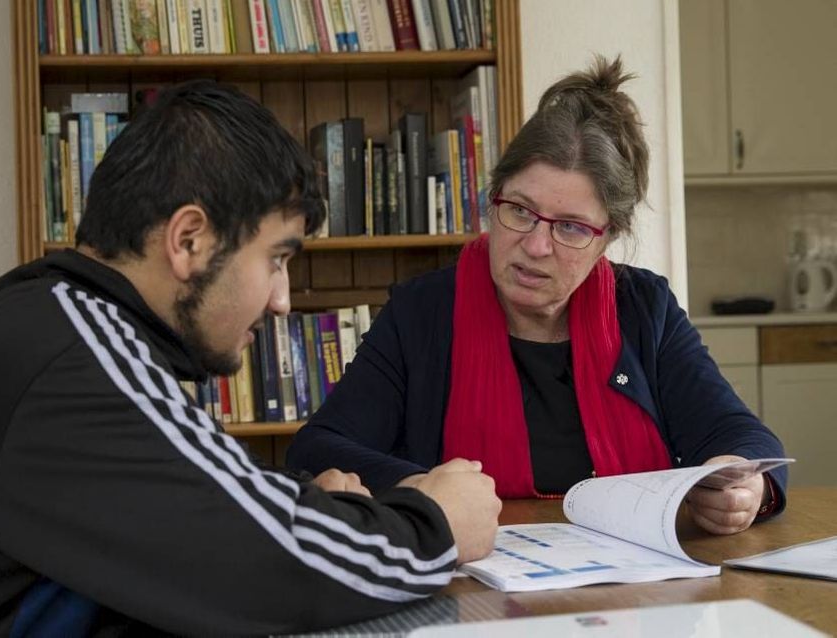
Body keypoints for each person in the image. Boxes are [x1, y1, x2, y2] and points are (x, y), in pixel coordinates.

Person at [0, 81, 502, 636]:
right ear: (189, 241)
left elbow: (209, 523)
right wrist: (435, 525)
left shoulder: (52, 324)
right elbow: (263, 563)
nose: (282, 303)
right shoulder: (72, 355)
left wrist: (306, 516)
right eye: (276, 259)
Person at [287, 56, 787, 537]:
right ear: (494, 196)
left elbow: (741, 437)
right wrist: (423, 489)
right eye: (521, 211)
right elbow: (318, 448)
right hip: (476, 582)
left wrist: (740, 484)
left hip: (631, 588)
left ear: (606, 238)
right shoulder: (423, 311)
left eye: (569, 227)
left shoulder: (644, 308)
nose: (535, 245)